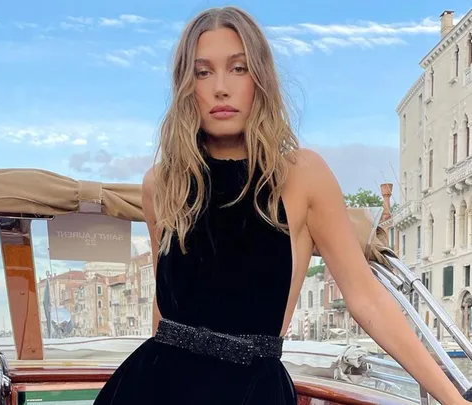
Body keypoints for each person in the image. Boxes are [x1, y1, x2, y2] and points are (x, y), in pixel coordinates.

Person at [93, 6, 470, 405]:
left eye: (238, 68)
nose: (221, 87)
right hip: (155, 387)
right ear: (188, 86)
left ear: (261, 79)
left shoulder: (302, 174)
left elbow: (366, 298)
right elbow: (164, 311)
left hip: (252, 391)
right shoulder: (162, 183)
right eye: (204, 72)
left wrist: (454, 399)